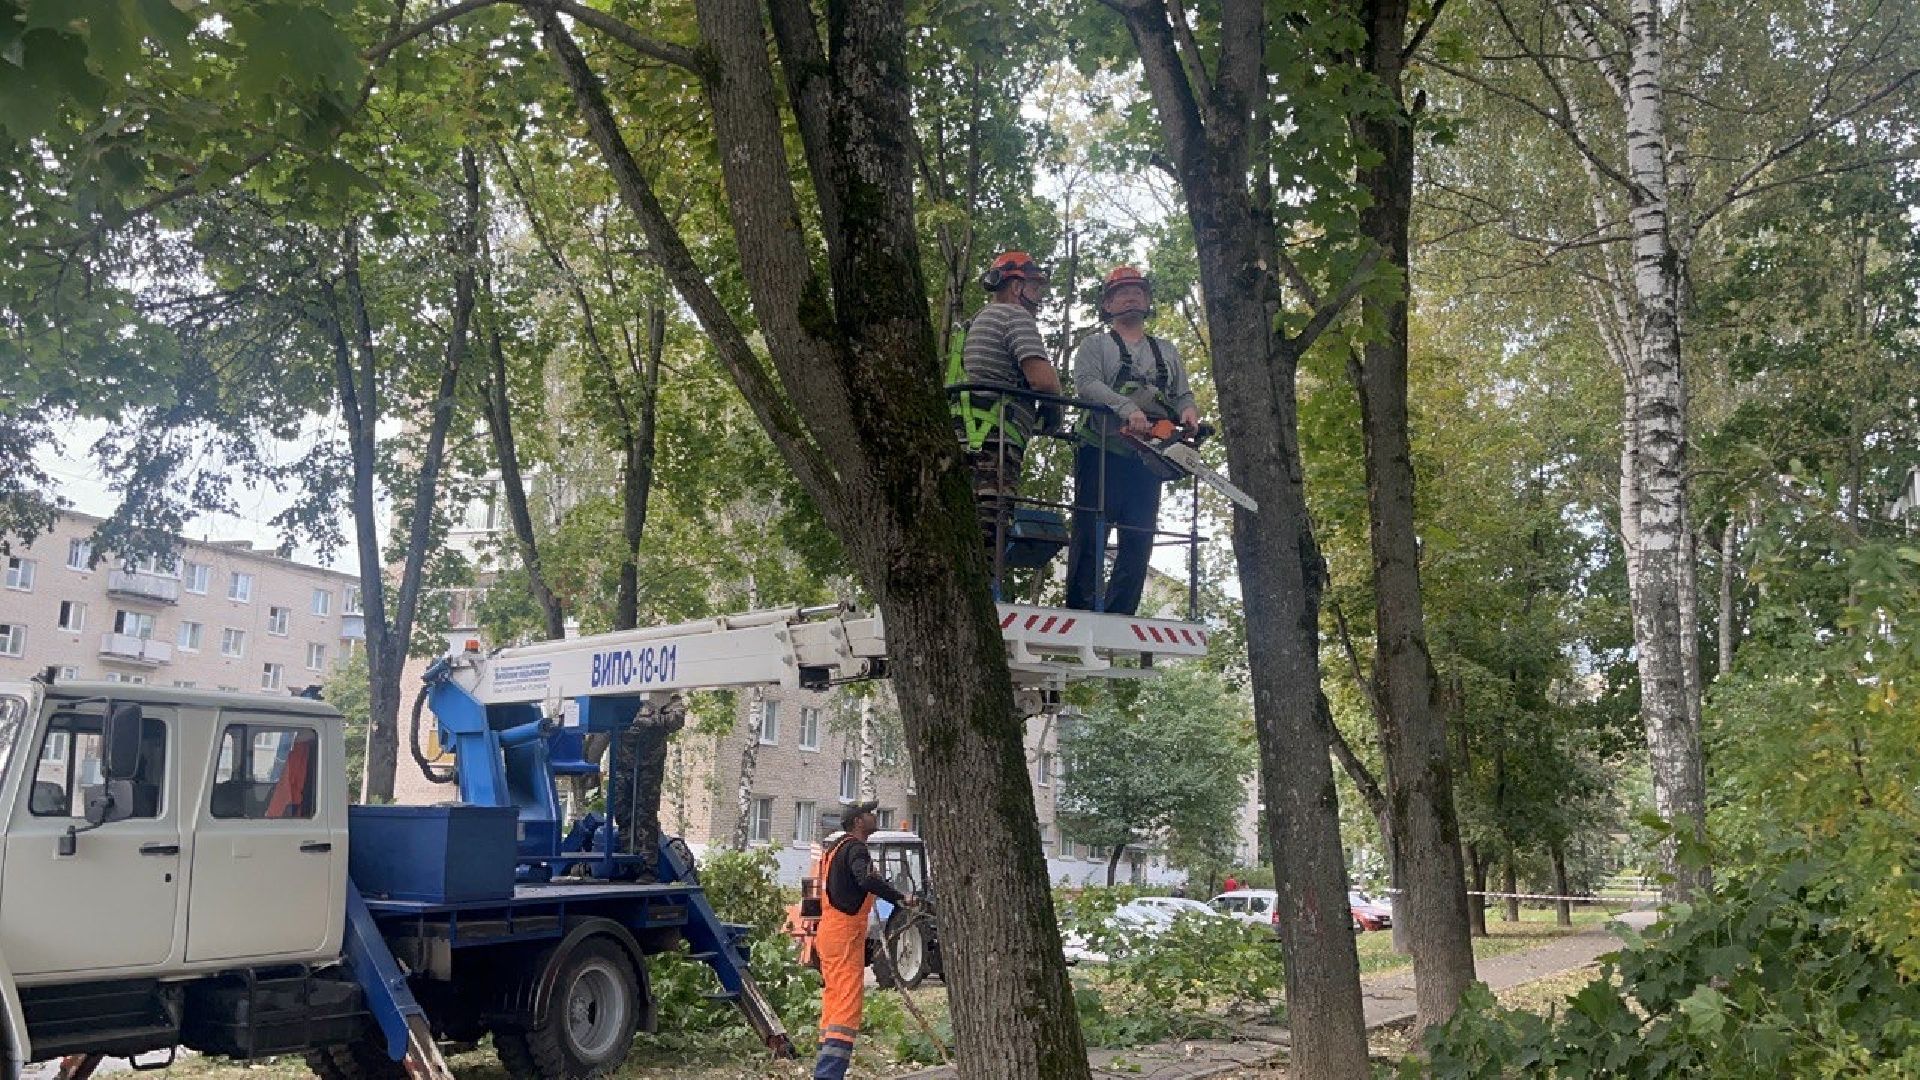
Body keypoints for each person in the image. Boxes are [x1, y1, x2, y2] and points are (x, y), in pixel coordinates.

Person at [1065, 266, 1199, 615]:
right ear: (1108, 304)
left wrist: (1188, 412)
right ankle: (1081, 607)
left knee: (1139, 534)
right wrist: (1125, 408)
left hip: (1149, 456)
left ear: (1147, 299)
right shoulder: (1096, 345)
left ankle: (1121, 611)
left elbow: (1182, 393)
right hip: (1102, 449)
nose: (1131, 296)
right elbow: (1087, 384)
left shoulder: (1165, 351)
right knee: (1092, 529)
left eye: (1137, 290)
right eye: (1122, 292)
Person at [954, 251, 1064, 571]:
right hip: (995, 446)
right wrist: (1053, 414)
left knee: (966, 532)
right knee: (989, 538)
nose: (1038, 297)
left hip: (967, 439)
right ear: (1016, 287)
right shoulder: (1015, 317)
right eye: (1035, 288)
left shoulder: (974, 323)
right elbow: (1044, 381)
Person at [812, 799, 920, 1080]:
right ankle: (828, 1075)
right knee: (846, 1009)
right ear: (858, 821)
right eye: (869, 813)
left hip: (830, 933)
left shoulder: (833, 850)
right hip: (845, 935)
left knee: (834, 1003)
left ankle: (824, 1069)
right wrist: (900, 897)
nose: (874, 816)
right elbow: (865, 880)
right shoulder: (856, 848)